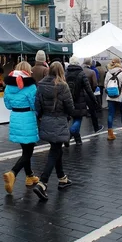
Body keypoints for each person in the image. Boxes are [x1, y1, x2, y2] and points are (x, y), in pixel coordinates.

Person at [33, 62, 75, 201]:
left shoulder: (41, 85)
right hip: (59, 121)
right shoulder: (63, 86)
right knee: (54, 151)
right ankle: (42, 183)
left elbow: (37, 105)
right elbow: (69, 106)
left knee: (56, 149)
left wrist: (42, 117)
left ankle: (62, 178)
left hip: (46, 120)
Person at [2, 61, 40, 194]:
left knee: (25, 149)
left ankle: (29, 176)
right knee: (29, 151)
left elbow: (7, 104)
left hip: (15, 117)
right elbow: (35, 104)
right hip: (27, 117)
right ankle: (13, 172)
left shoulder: (8, 87)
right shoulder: (30, 86)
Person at [104, 57, 122, 140]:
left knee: (110, 114)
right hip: (120, 96)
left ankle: (110, 134)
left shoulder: (108, 73)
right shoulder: (121, 73)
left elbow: (105, 84)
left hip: (110, 96)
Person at [81, 57, 103, 132]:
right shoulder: (91, 72)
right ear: (90, 63)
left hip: (80, 93)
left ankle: (75, 130)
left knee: (78, 112)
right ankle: (96, 127)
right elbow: (95, 84)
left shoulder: (80, 71)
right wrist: (92, 92)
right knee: (93, 111)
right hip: (89, 93)